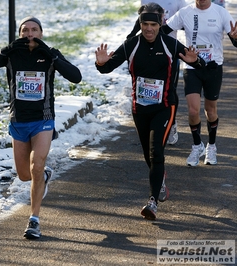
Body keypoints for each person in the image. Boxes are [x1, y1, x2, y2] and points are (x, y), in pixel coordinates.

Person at [95, 3, 205, 220]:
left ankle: (152, 201)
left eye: (153, 24)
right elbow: (107, 67)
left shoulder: (171, 44)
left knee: (156, 151)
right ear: (140, 24)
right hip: (140, 108)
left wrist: (196, 61)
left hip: (165, 107)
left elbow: (199, 64)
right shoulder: (131, 45)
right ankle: (160, 180)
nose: (149, 29)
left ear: (161, 23)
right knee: (149, 155)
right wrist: (100, 63)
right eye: (145, 24)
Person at [0, 16, 82, 238]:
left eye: (34, 30)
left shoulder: (50, 53)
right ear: (20, 33)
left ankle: (34, 220)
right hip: (18, 120)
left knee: (36, 166)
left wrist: (53, 56)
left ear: (41, 33)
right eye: (25, 30)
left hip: (43, 120)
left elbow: (76, 77)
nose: (30, 34)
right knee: (25, 175)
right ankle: (41, 177)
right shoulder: (12, 54)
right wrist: (5, 50)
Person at [162, 0, 237, 166]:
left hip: (213, 67)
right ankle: (197, 146)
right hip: (192, 66)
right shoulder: (185, 12)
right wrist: (182, 51)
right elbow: (163, 31)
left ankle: (212, 146)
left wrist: (235, 38)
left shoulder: (220, 12)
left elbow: (235, 39)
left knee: (210, 111)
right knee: (193, 110)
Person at [127, 0, 189, 146]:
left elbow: (187, 19)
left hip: (169, 52)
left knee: (170, 90)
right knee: (148, 86)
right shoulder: (146, 1)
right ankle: (151, 125)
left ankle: (170, 123)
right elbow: (141, 20)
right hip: (147, 48)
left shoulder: (179, 1)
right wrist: (130, 35)